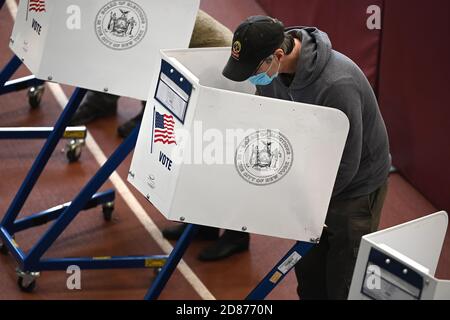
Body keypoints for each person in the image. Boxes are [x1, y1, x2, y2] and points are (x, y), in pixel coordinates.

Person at [221, 16, 391, 300]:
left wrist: (302, 202)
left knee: (343, 281)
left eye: (253, 70)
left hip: (356, 187)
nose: (253, 78)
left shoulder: (337, 83)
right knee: (310, 278)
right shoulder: (272, 72)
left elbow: (348, 162)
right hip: (312, 176)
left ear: (278, 55)